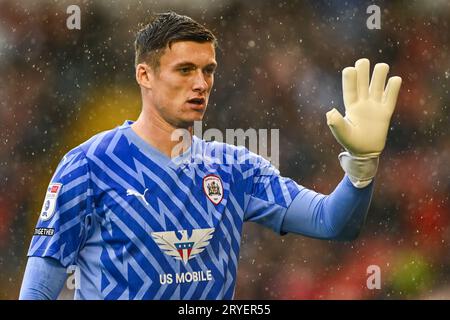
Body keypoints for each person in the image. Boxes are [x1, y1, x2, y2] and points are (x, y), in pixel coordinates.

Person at [19, 12, 402, 300]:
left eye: (208, 70)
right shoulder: (88, 165)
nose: (201, 84)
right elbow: (39, 287)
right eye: (185, 70)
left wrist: (361, 167)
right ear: (144, 75)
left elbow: (332, 222)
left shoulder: (235, 167)